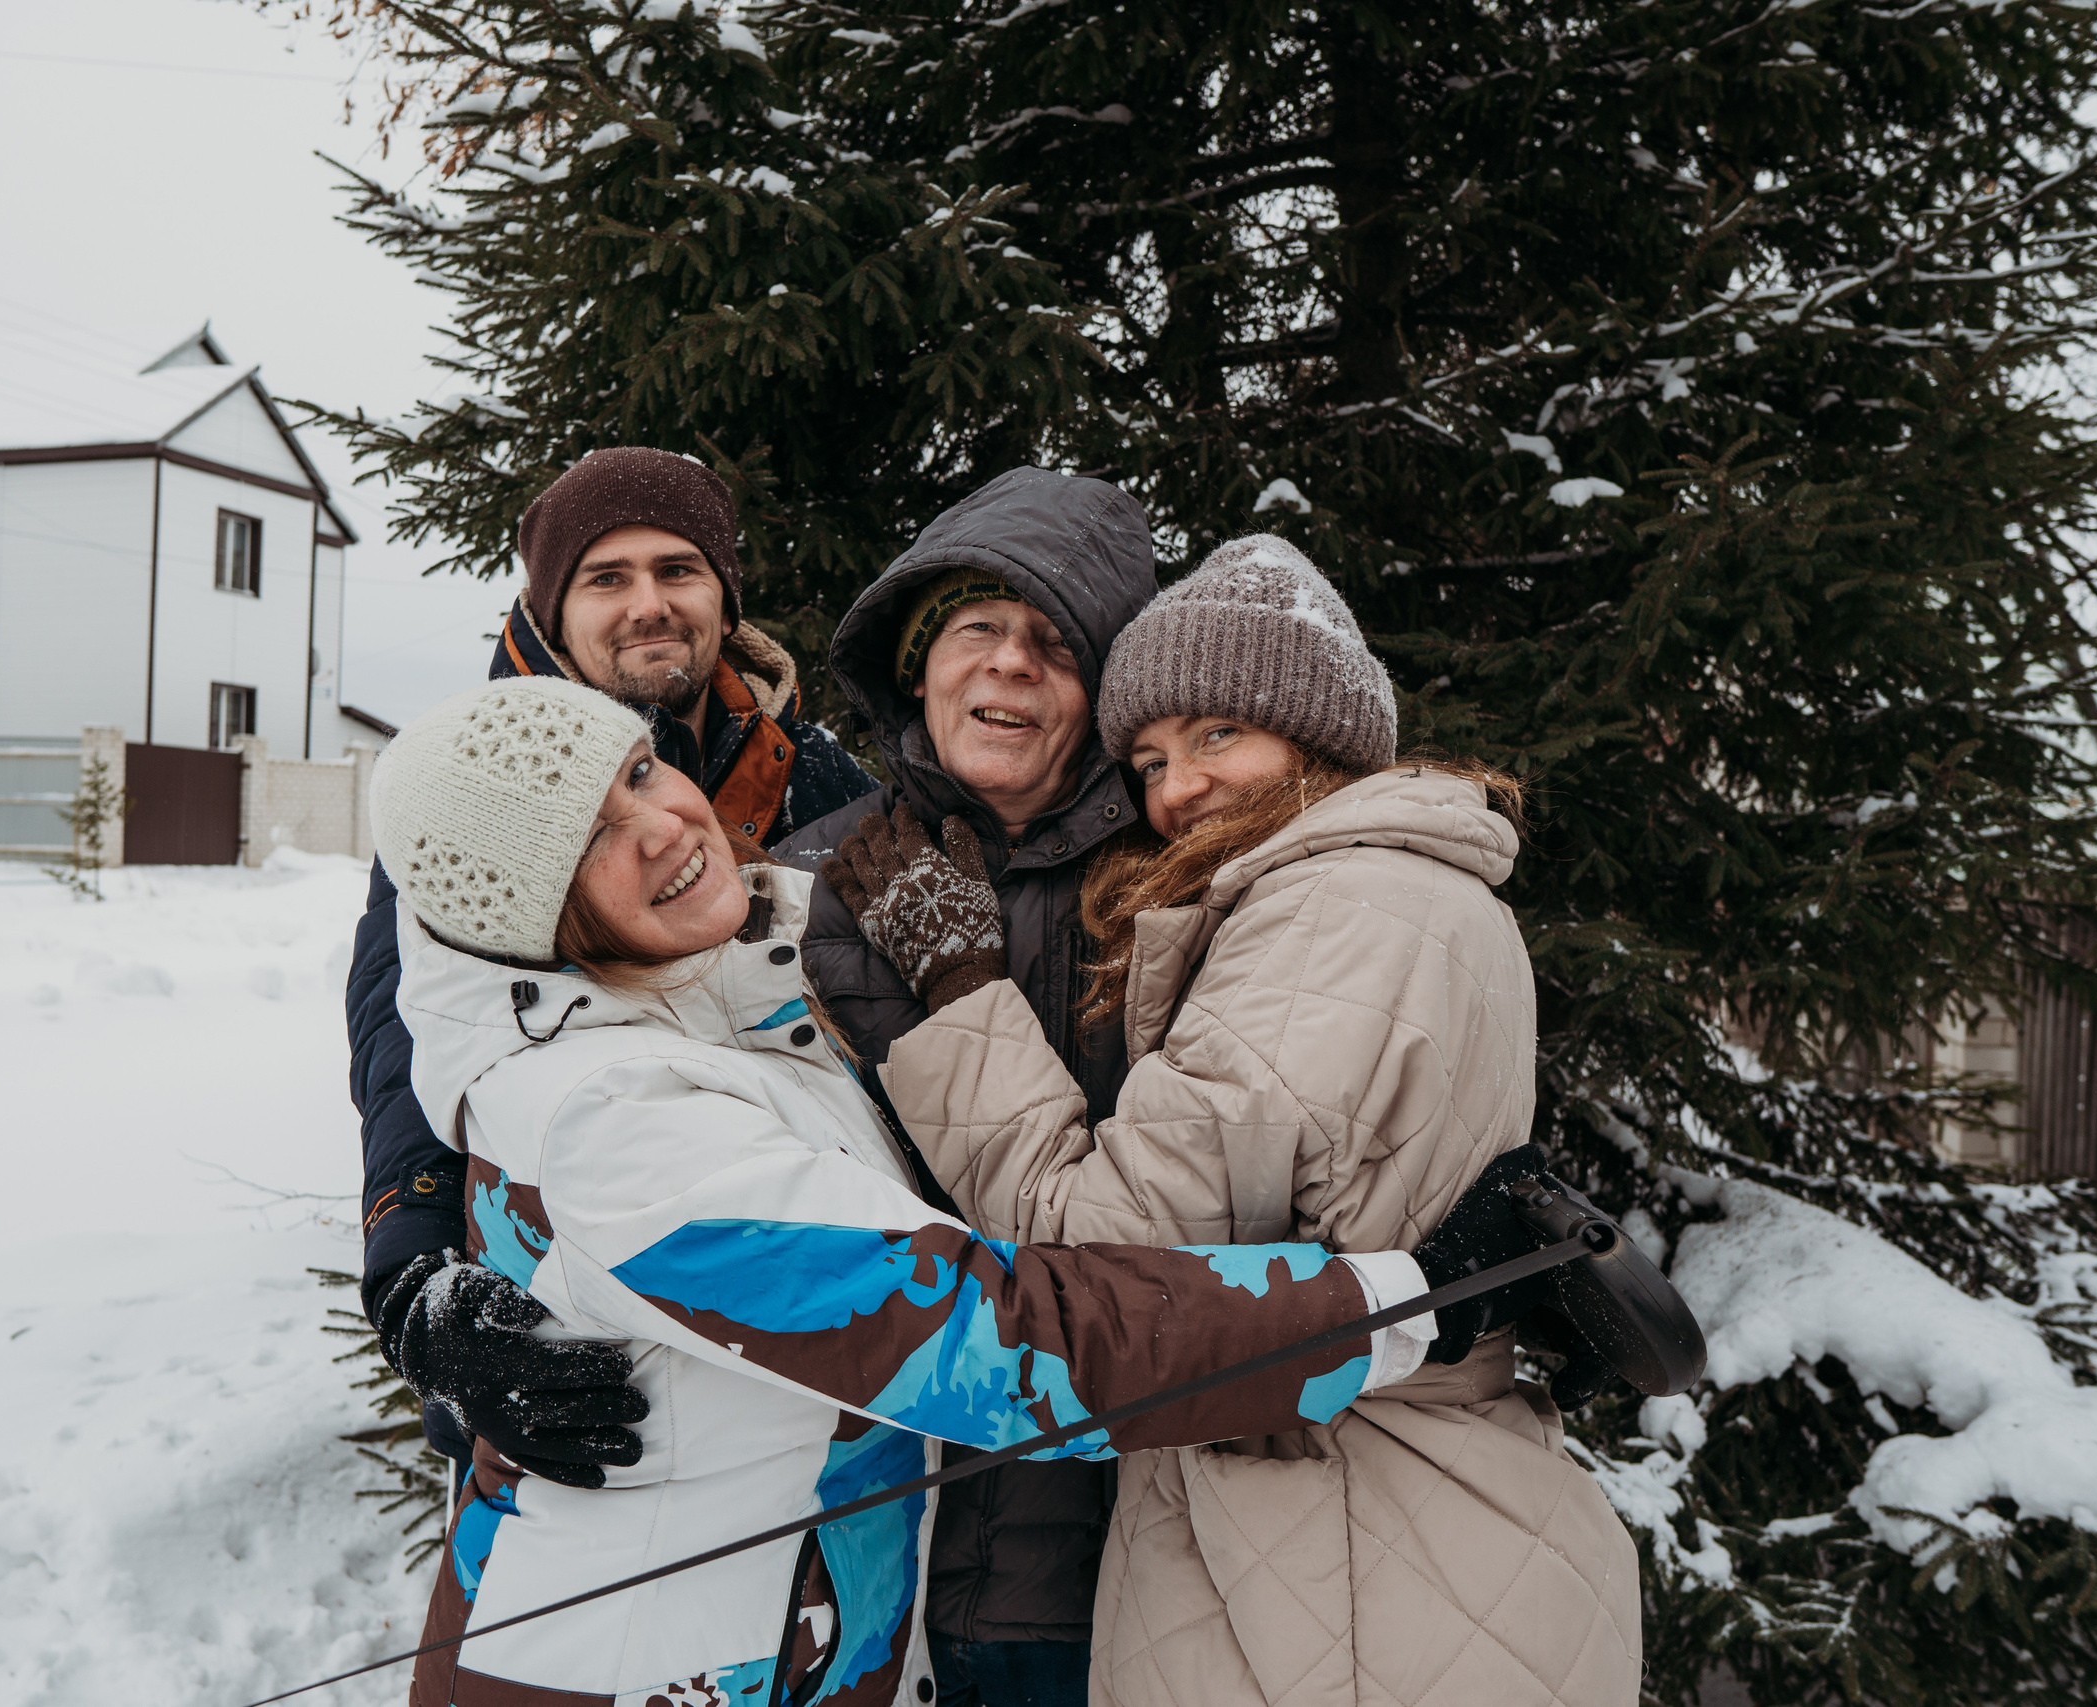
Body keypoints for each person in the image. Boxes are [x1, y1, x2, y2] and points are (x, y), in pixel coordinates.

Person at [365, 674, 1563, 1707]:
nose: (663, 822)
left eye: (637, 771)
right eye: (584, 838)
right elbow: (991, 1343)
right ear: (527, 918)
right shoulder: (613, 1121)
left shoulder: (714, 972)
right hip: (626, 1672)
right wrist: (1408, 1304)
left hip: (791, 1648)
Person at [827, 536, 1646, 1707]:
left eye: (1220, 734)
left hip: (1344, 1548)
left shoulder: (1339, 907)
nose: (1179, 787)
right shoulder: (1376, 887)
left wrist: (960, 993)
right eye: (1151, 759)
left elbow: (1097, 1246)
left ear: (1317, 737)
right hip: (1352, 1522)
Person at [347, 448, 879, 1472]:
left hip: (811, 1287)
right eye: (607, 577)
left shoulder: (811, 776)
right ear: (551, 609)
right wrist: (412, 1267)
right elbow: (412, 1023)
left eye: (678, 570)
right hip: (596, 1325)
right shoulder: (478, 785)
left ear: (724, 595)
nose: (649, 604)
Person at [768, 466, 1153, 1705]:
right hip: (836, 1525)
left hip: (1087, 1549)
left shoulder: (1173, 891)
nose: (1007, 666)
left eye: (1054, 643)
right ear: (916, 665)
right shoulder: (794, 881)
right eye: (975, 629)